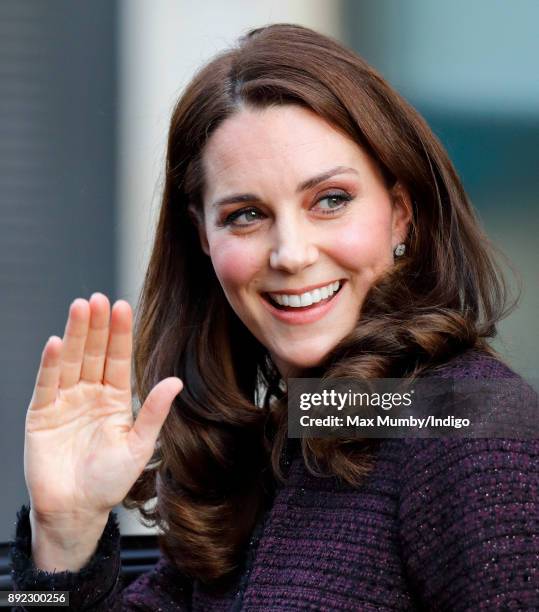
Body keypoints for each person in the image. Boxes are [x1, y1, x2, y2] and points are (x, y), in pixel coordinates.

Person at [9, 23, 538, 611]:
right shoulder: (281, 439)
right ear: (203, 237)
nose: (291, 253)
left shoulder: (469, 429)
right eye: (246, 214)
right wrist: (63, 537)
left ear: (400, 214)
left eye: (330, 201)